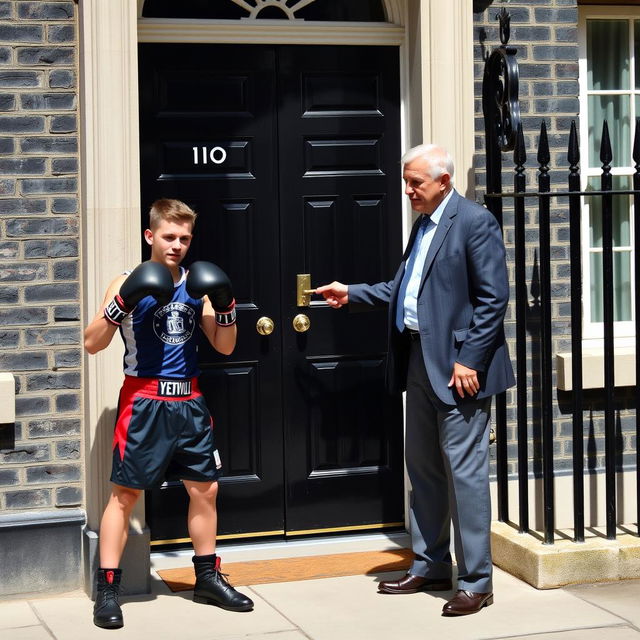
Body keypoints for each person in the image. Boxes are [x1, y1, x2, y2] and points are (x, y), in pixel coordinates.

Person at [316, 144, 515, 617]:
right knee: (423, 469)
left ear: (444, 181)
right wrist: (352, 293)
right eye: (407, 182)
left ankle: (476, 581)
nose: (408, 191)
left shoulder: (473, 222)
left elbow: (494, 298)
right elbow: (405, 290)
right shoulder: (423, 224)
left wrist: (470, 359)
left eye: (415, 183)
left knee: (464, 477)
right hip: (419, 364)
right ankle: (431, 563)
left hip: (459, 371)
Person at [84, 198, 253, 629]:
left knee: (205, 490)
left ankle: (207, 579)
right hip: (144, 400)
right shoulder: (125, 280)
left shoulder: (197, 285)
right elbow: (92, 343)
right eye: (169, 237)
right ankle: (108, 590)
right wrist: (122, 300)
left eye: (184, 238)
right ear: (150, 236)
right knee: (125, 495)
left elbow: (225, 345)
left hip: (190, 402)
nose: (177, 245)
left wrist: (226, 302)